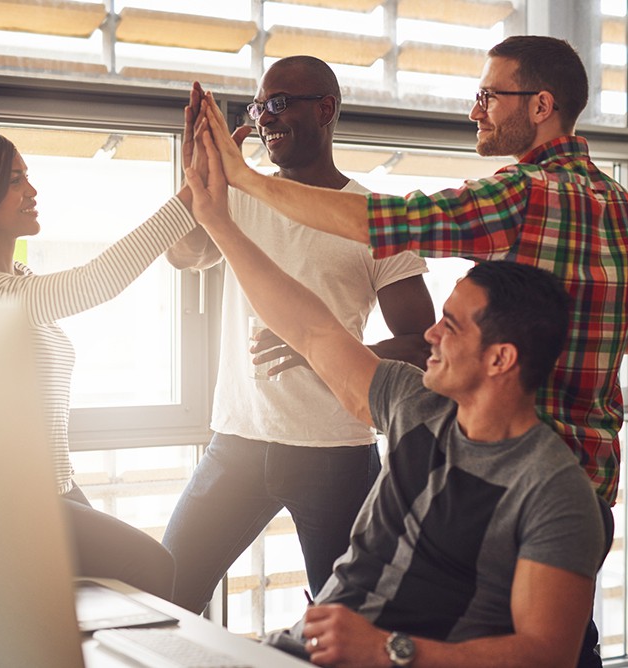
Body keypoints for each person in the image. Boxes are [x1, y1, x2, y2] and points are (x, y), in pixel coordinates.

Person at [182, 135, 607, 667]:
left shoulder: (555, 491)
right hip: (301, 653)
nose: (429, 335)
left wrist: (388, 651)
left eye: (449, 327)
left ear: (500, 359)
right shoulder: (413, 405)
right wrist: (218, 221)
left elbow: (546, 655)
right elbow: (313, 331)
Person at [161, 56, 435, 614]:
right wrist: (200, 177)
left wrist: (322, 350)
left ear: (327, 109)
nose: (265, 117)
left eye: (280, 103)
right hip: (236, 441)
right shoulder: (237, 199)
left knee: (348, 616)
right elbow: (182, 254)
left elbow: (421, 343)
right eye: (260, 106)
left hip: (333, 453)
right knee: (166, 588)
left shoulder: (371, 217)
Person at [0, 128, 198, 602]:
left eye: (28, 177)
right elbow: (95, 282)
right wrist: (191, 196)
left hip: (51, 489)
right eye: (14, 180)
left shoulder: (14, 280)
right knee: (152, 568)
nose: (32, 191)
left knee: (117, 591)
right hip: (2, 504)